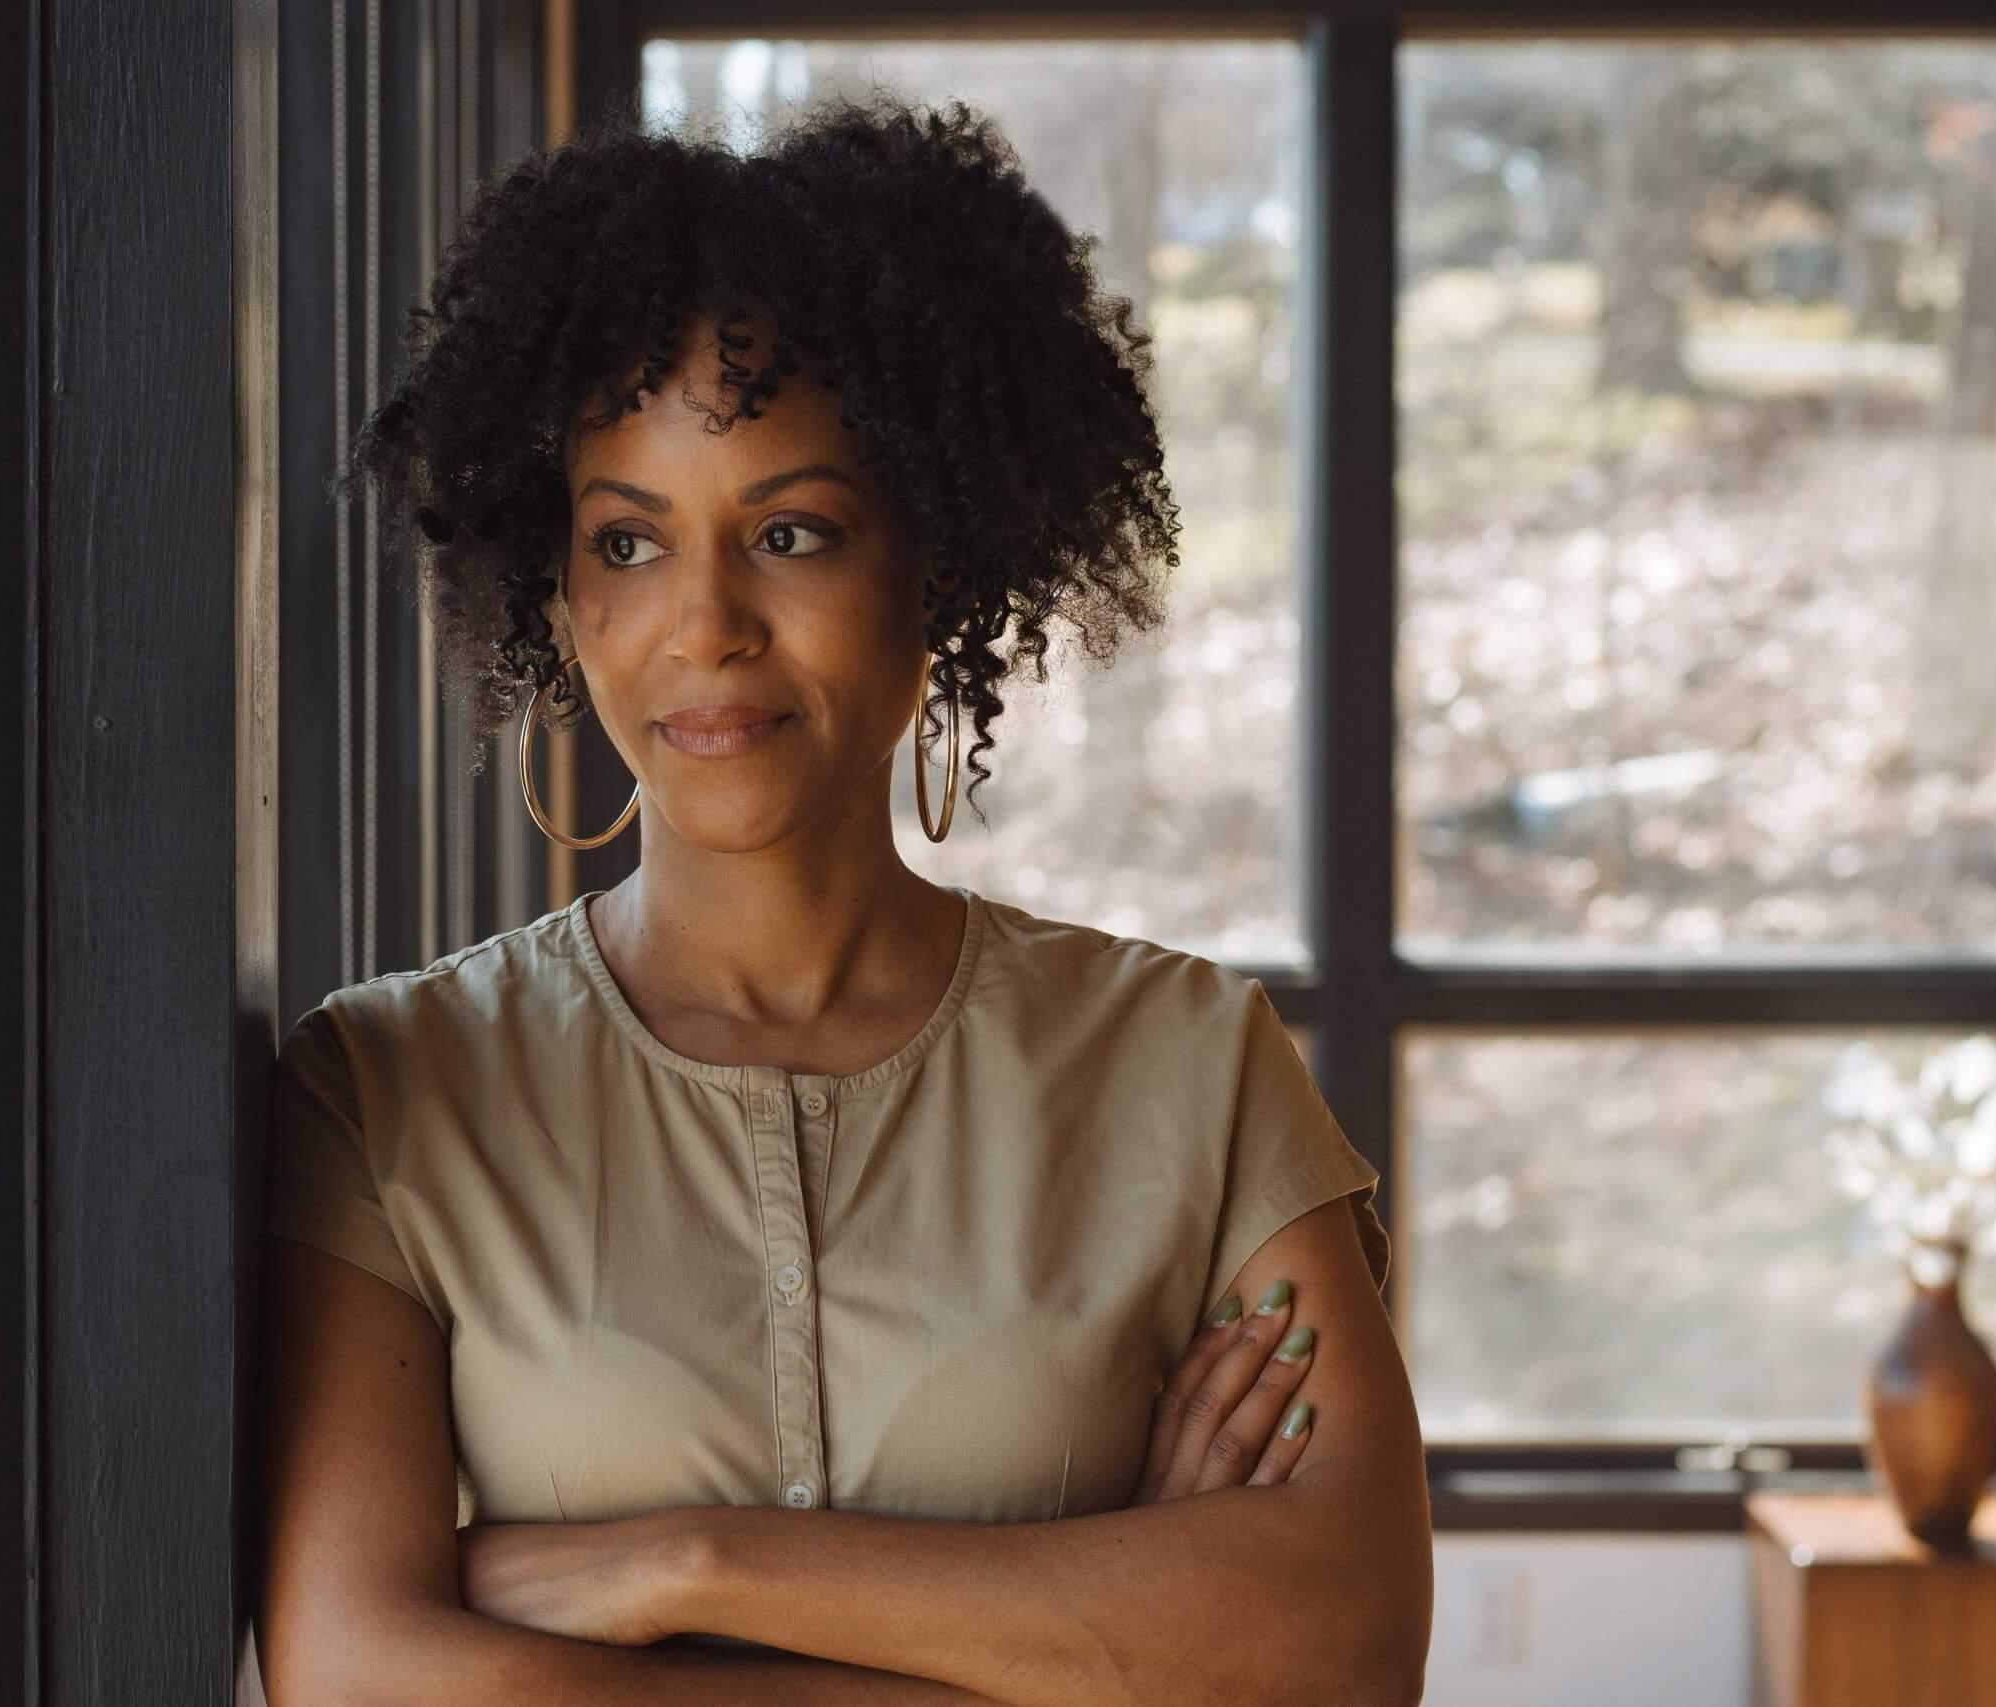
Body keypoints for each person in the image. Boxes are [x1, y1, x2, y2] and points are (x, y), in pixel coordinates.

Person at [252, 92, 1432, 1706]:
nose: (708, 624)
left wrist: (677, 1567)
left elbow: (1349, 1645)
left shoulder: (1193, 1066)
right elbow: (357, 1675)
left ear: (933, 564)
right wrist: (1103, 1648)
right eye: (628, 541)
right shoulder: (384, 1093)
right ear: (560, 593)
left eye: (791, 531)